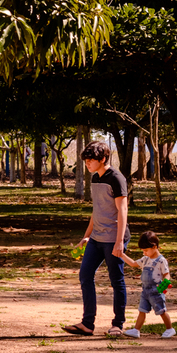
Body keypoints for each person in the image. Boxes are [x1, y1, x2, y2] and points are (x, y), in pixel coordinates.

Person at [64, 141, 130, 336]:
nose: (88, 164)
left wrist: (119, 242)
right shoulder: (95, 178)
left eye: (91, 160)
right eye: (86, 161)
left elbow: (122, 210)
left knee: (116, 279)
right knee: (85, 275)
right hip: (96, 237)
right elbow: (97, 210)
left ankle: (118, 324)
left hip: (113, 238)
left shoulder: (117, 179)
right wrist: (86, 237)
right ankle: (87, 323)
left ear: (102, 159)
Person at [119, 231, 175, 339]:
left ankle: (170, 329)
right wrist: (122, 255)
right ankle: (136, 330)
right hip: (145, 291)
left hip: (156, 291)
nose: (144, 253)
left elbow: (167, 274)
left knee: (161, 310)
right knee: (142, 310)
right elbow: (133, 264)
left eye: (145, 250)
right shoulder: (145, 259)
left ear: (154, 247)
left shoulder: (161, 261)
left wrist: (165, 284)